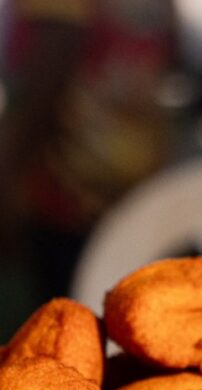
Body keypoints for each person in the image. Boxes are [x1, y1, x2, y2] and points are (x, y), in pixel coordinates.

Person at [0, 0, 175, 335]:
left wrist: (7, 173)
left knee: (63, 332)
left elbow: (49, 71)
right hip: (138, 187)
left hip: (69, 196)